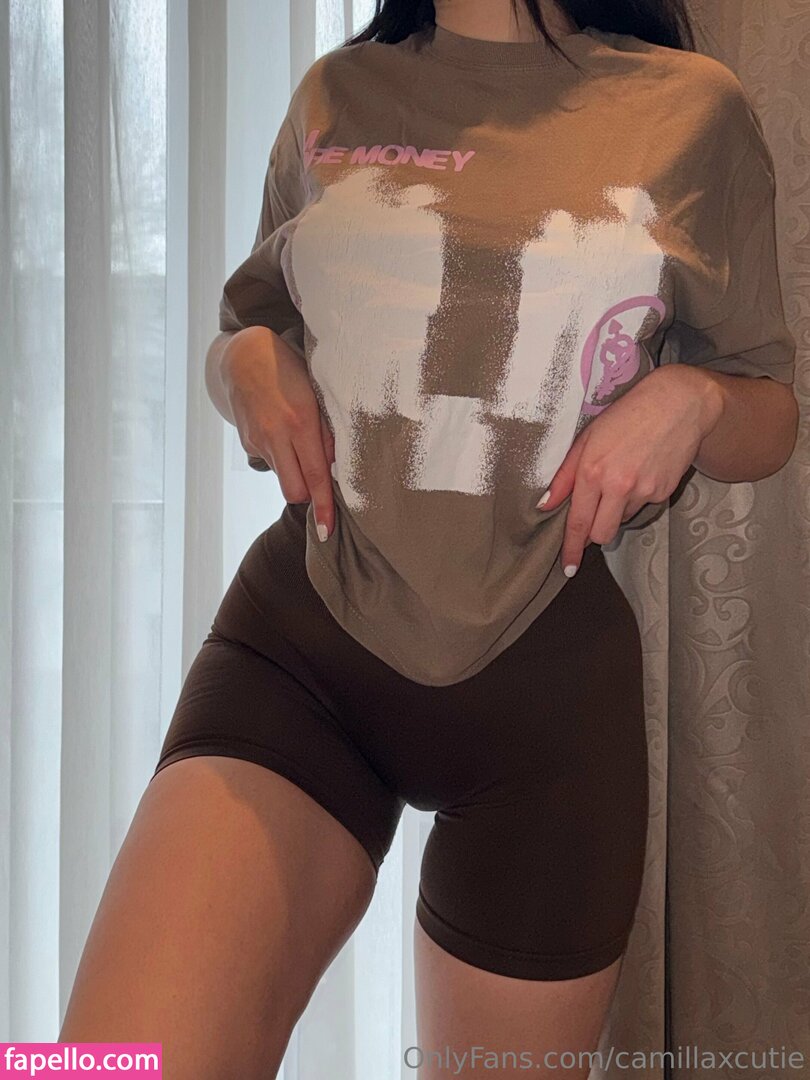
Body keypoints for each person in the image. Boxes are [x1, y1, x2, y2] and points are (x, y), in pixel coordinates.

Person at [59, 0, 798, 1076]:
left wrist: (693, 398)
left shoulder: (690, 111)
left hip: (546, 695)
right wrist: (241, 365)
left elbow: (768, 405)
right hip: (301, 652)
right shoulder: (336, 94)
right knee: (99, 1063)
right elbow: (252, 325)